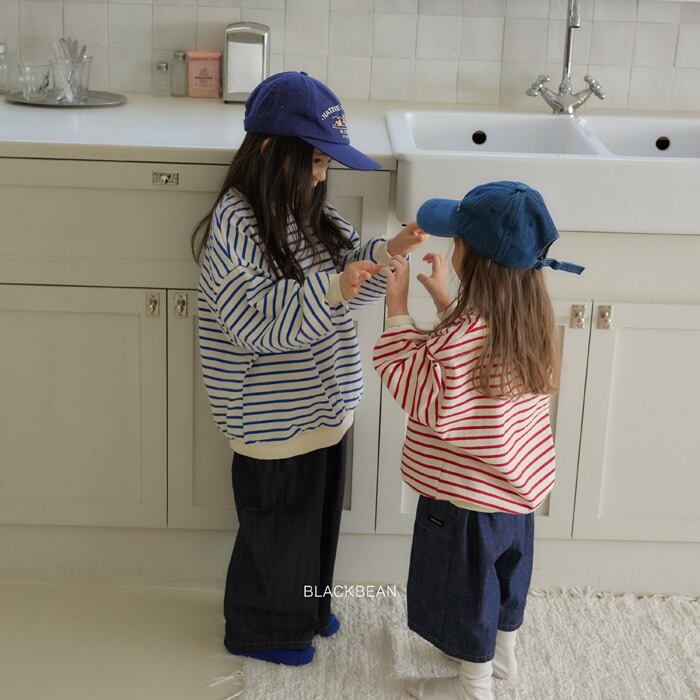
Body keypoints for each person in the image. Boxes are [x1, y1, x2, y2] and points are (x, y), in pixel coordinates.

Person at [192, 71, 427, 667]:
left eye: (327, 164)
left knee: (315, 527)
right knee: (277, 532)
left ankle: (307, 609)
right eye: (316, 162)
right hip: (270, 419)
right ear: (273, 151)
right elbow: (249, 317)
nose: (323, 176)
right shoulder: (236, 224)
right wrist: (333, 288)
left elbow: (351, 268)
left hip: (324, 410)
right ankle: (263, 629)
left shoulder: (311, 216)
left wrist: (388, 253)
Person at [373, 181, 584, 699]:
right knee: (504, 580)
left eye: (458, 241)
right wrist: (445, 301)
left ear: (473, 259)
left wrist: (396, 306)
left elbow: (415, 384)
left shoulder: (463, 335)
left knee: (463, 593)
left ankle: (473, 686)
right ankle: (503, 657)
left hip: (464, 501)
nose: (453, 248)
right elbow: (475, 363)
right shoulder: (528, 321)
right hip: (514, 498)